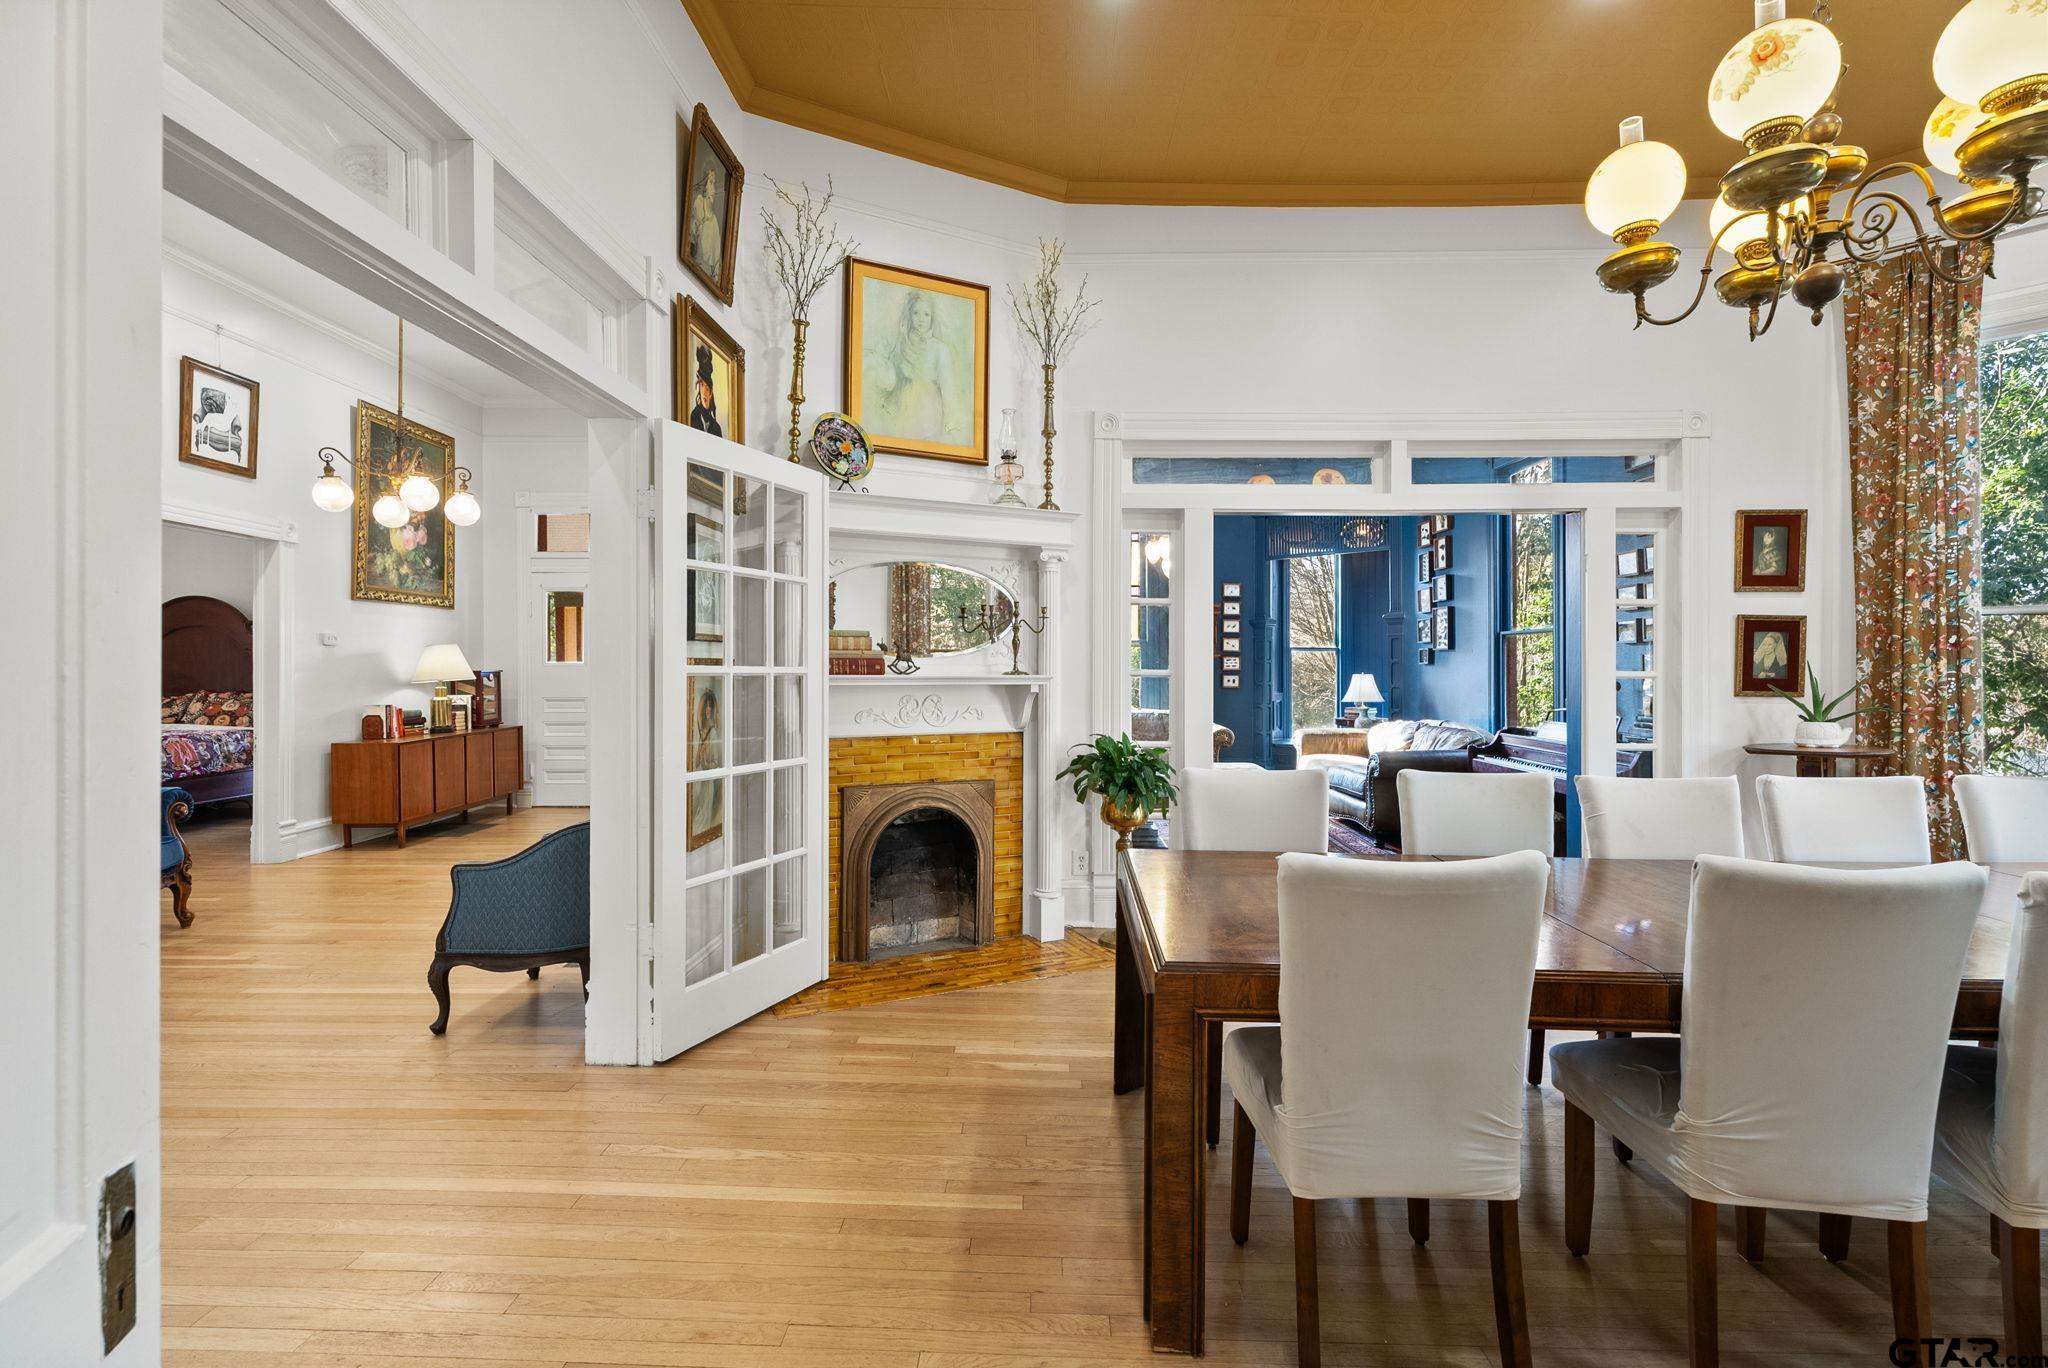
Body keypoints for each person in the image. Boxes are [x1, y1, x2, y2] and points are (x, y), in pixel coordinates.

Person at [869, 291, 958, 441]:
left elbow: (948, 388)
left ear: (932, 318)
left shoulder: (940, 349)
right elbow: (891, 377)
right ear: (909, 315)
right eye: (916, 313)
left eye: (926, 314)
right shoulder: (900, 344)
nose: (921, 319)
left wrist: (951, 422)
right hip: (901, 410)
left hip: (927, 412)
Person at [688, 165, 723, 279]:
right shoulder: (697, 203)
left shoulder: (714, 221)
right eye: (711, 183)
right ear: (704, 185)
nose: (714, 189)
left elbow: (716, 262)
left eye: (714, 183)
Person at [689, 345, 722, 438]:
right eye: (702, 385)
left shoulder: (716, 428)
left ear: (711, 393)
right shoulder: (694, 417)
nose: (704, 392)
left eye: (707, 388)